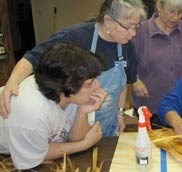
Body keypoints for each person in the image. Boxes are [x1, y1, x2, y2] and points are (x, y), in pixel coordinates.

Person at [0, 0, 147, 136]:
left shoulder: (126, 44)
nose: (133, 33)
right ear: (108, 20)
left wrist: (120, 114)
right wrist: (12, 82)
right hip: (76, 124)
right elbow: (32, 58)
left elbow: (122, 85)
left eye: (137, 26)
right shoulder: (76, 36)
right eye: (128, 27)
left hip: (108, 122)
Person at [0, 42, 106, 169]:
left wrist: (82, 112)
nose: (98, 86)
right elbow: (36, 155)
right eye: (90, 83)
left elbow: (74, 137)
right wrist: (84, 144)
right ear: (65, 86)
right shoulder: (33, 112)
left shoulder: (69, 92)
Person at [131, 0, 182, 127]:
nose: (176, 17)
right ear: (159, 6)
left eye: (180, 12)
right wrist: (134, 80)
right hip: (151, 104)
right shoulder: (140, 30)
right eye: (171, 11)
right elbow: (128, 62)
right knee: (153, 144)